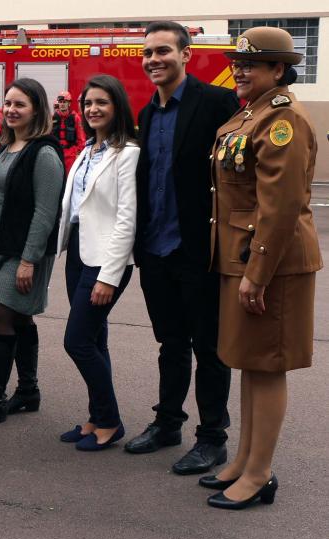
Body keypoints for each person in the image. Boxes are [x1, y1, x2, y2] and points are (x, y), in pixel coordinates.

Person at [204, 27, 321, 510]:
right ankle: (244, 460)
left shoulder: (283, 119)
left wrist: (258, 271)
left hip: (272, 263)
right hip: (245, 257)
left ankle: (259, 474)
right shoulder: (251, 113)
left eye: (251, 64)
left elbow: (281, 204)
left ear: (278, 69)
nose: (240, 70)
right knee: (249, 363)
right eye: (238, 63)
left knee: (268, 367)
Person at [125, 21, 240, 475]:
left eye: (163, 51)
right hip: (156, 250)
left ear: (186, 54)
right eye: (147, 53)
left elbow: (235, 176)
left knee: (209, 348)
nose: (153, 60)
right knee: (170, 344)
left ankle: (212, 439)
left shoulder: (216, 102)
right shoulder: (147, 113)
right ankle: (168, 423)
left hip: (199, 251)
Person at [56, 75, 139, 450]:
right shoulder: (88, 150)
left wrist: (110, 275)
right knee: (94, 339)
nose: (93, 109)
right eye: (88, 103)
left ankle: (110, 421)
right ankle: (96, 417)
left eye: (101, 102)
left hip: (105, 259)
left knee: (76, 341)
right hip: (78, 251)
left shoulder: (127, 153)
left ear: (117, 106)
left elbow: (126, 218)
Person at [0, 78, 64, 428]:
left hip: (24, 249)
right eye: (8, 103)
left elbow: (45, 212)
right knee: (20, 317)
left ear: (36, 110)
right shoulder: (7, 145)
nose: (11, 110)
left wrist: (29, 260)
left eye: (20, 105)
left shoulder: (44, 153)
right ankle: (28, 390)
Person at [52, 91, 86, 174]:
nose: (62, 104)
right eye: (60, 102)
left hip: (71, 155)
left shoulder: (75, 118)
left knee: (69, 177)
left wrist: (79, 154)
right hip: (56, 153)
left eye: (64, 102)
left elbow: (81, 139)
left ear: (69, 103)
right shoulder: (53, 118)